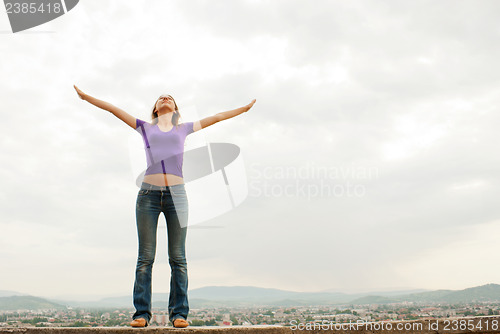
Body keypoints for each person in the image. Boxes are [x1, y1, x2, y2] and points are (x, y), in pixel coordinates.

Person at [73, 85, 256, 328]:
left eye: (169, 97)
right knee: (145, 258)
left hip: (177, 196)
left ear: (175, 108)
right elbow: (114, 110)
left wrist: (243, 110)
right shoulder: (145, 127)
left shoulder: (184, 128)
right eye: (160, 98)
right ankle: (141, 315)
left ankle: (179, 315)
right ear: (156, 109)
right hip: (148, 195)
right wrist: (86, 97)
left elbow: (219, 116)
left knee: (178, 258)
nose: (165, 98)